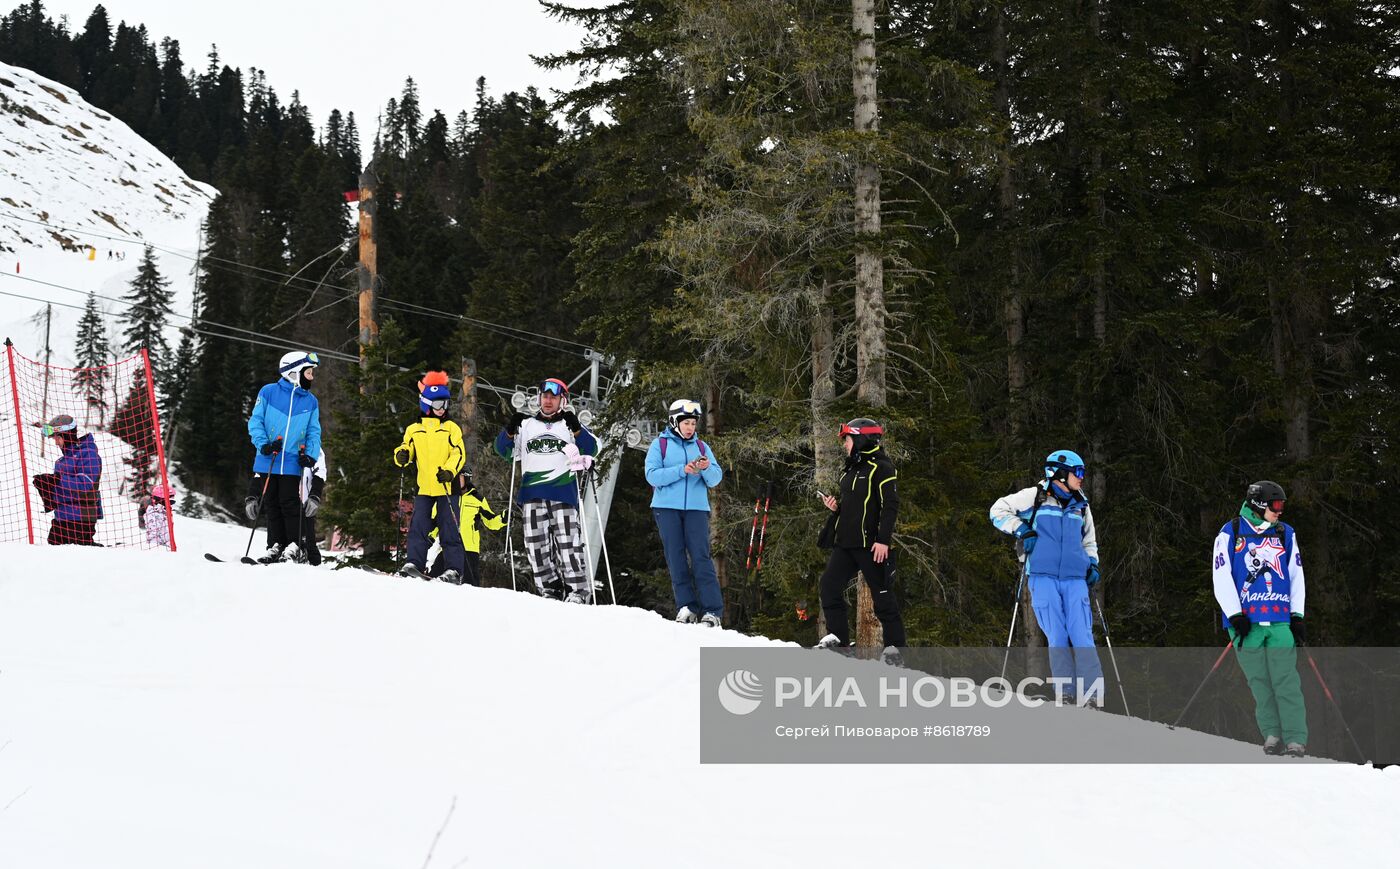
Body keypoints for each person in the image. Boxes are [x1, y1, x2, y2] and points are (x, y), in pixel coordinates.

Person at [990, 449, 1104, 705]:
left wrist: (1093, 564)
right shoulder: (1035, 497)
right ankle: (1066, 693)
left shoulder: (1081, 506)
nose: (1081, 478)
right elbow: (997, 510)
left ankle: (1093, 696)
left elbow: (1089, 540)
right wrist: (1022, 530)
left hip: (1075, 580)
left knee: (1082, 636)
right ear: (1059, 474)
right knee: (1058, 636)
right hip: (1043, 577)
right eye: (1078, 472)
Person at [1212, 480, 1308, 756]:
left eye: (1282, 506)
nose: (1280, 511)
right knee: (1260, 682)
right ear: (1260, 505)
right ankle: (1273, 734)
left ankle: (1295, 738)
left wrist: (1297, 615)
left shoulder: (1284, 533)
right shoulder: (1230, 532)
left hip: (1278, 619)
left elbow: (1295, 575)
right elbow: (1221, 576)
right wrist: (1234, 614)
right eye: (1276, 505)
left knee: (1286, 680)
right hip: (1246, 624)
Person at [495, 377, 598, 602]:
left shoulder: (569, 425)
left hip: (562, 492)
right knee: (535, 544)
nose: (548, 400)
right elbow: (505, 451)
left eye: (553, 397)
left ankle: (577, 590)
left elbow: (592, 449)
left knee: (568, 542)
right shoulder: (528, 426)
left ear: (563, 400)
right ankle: (549, 587)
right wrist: (510, 430)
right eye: (545, 396)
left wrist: (579, 430)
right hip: (532, 494)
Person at [815, 418, 906, 663]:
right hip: (846, 543)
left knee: (883, 597)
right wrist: (836, 508)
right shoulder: (851, 468)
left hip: (871, 545)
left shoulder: (883, 467)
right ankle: (839, 641)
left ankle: (895, 651)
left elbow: (890, 506)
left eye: (847, 439)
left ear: (861, 439)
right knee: (829, 586)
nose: (845, 445)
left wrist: (883, 540)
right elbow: (855, 505)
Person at [645, 398, 724, 626]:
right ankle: (687, 607)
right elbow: (652, 475)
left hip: (697, 510)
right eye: (686, 423)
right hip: (666, 509)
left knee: (701, 558)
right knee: (676, 558)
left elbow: (715, 479)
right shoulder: (660, 444)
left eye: (693, 423)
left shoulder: (701, 447)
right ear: (674, 422)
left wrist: (706, 467)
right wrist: (682, 470)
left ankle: (712, 612)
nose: (690, 428)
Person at [245, 350, 322, 563]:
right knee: (271, 504)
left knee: (289, 502)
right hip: (269, 457)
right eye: (308, 372)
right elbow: (255, 421)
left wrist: (311, 455)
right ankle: (275, 545)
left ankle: (294, 545)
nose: (311, 377)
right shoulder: (268, 392)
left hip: (291, 461)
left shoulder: (311, 401)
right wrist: (264, 444)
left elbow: (314, 431)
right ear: (294, 372)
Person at [394, 372, 467, 583]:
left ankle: (453, 569)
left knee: (449, 528)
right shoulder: (414, 430)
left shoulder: (451, 428)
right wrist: (402, 456)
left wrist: (450, 471)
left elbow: (458, 453)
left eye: (445, 404)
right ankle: (414, 563)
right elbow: (405, 450)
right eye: (437, 405)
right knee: (419, 526)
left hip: (447, 487)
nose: (442, 409)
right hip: (424, 487)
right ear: (426, 404)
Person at [32, 414, 103, 545]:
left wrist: (57, 480)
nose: (56, 442)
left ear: (67, 435)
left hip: (81, 518)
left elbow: (85, 483)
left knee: (76, 557)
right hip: (61, 517)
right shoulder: (61, 461)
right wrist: (48, 490)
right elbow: (62, 488)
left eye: (58, 437)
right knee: (54, 551)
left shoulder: (88, 453)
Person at [427, 469, 506, 585]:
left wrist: (503, 518)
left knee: (470, 585)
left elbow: (491, 521)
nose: (456, 480)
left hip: (469, 549)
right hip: (449, 547)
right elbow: (436, 521)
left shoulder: (477, 499)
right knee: (435, 578)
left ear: (467, 479)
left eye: (460, 477)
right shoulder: (446, 498)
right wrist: (430, 536)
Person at [287, 451, 326, 566]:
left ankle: (311, 559)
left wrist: (315, 494)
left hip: (305, 497)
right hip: (285, 497)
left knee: (307, 530)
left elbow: (320, 470)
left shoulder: (313, 445)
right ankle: (284, 552)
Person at [140, 482, 174, 549]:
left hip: (165, 546)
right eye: (170, 501)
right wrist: (161, 548)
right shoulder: (154, 514)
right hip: (158, 548)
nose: (172, 503)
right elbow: (153, 536)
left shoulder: (162, 512)